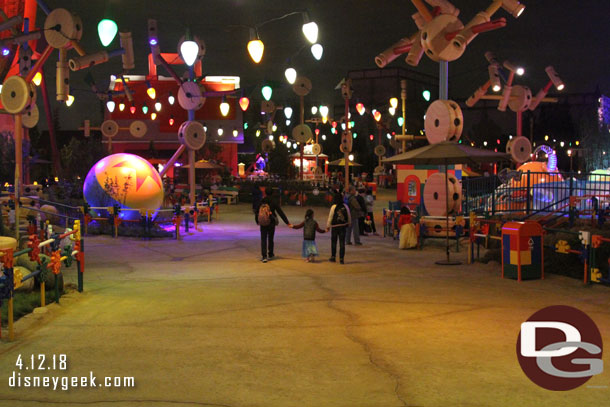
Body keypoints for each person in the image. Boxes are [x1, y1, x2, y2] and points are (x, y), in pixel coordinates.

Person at [255, 187, 291, 262]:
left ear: (265, 193)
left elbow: (257, 211)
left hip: (263, 222)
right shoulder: (274, 201)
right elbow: (280, 212)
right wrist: (287, 222)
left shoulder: (262, 201)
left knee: (263, 239)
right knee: (270, 238)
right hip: (271, 221)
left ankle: (264, 256)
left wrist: (257, 221)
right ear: (272, 193)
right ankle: (270, 253)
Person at [326, 193, 351, 264]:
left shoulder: (333, 206)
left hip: (334, 227)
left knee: (334, 242)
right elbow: (349, 215)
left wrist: (328, 226)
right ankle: (341, 259)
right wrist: (349, 223)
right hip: (342, 226)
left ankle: (333, 257)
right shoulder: (345, 206)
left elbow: (330, 217)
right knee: (342, 243)